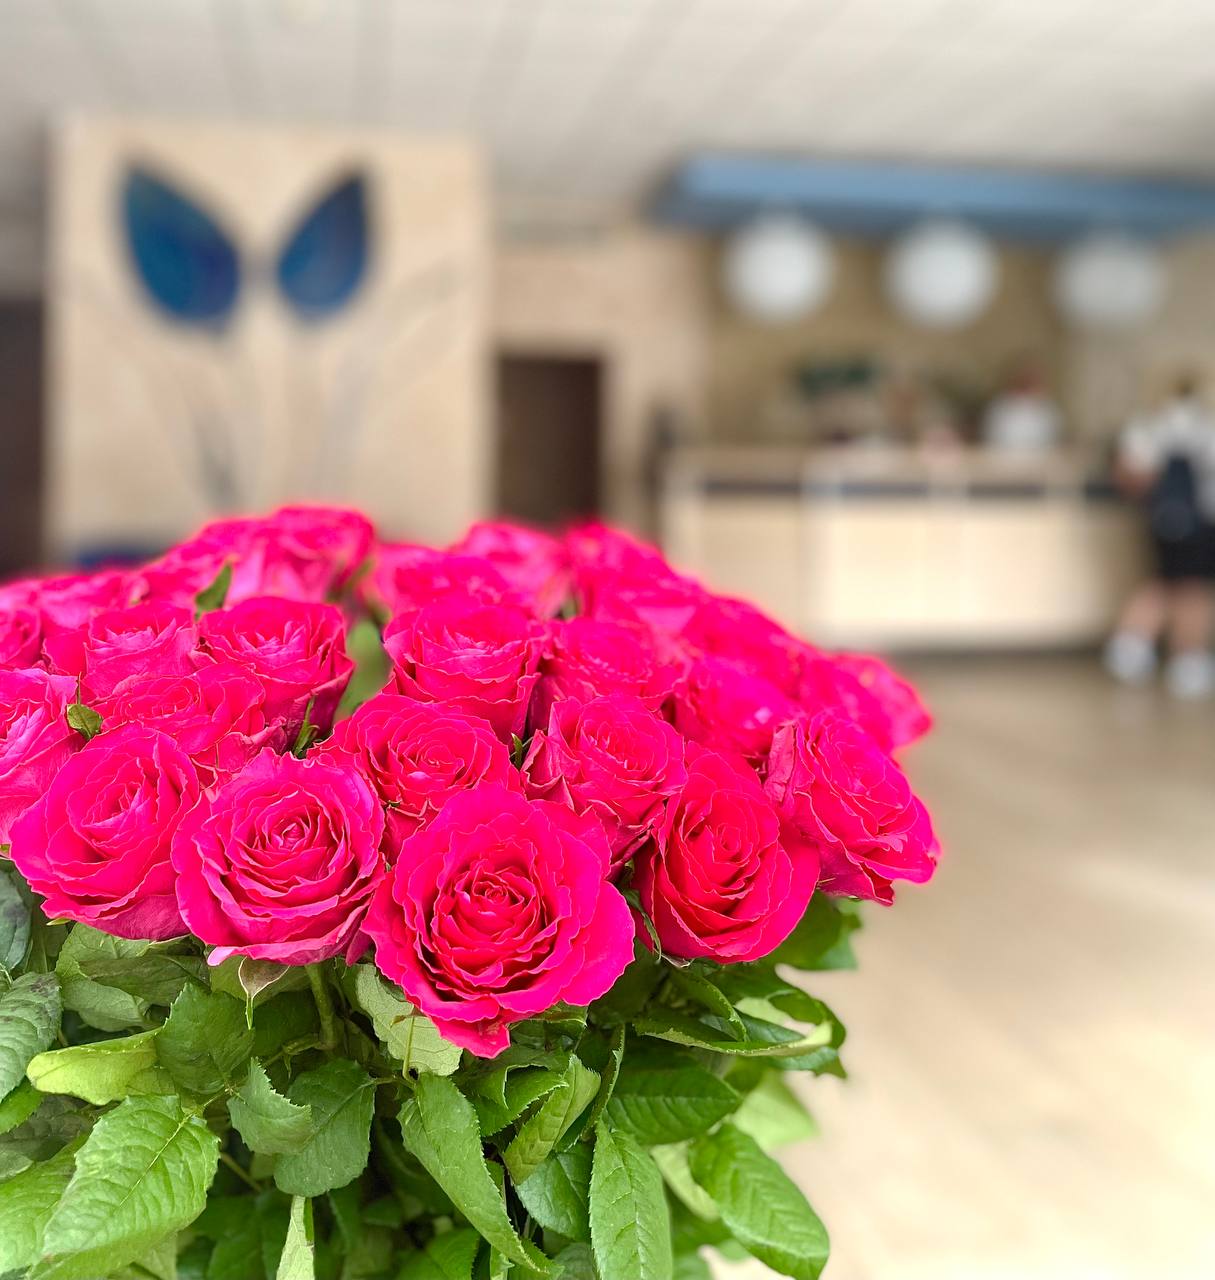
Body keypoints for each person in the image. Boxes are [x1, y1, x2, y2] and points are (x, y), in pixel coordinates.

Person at [1104, 375, 1215, 698]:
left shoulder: (1147, 426)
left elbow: (1128, 473)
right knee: (1192, 588)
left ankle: (1132, 645)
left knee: (1165, 580)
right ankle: (1188, 658)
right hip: (1197, 523)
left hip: (1162, 521)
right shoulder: (1202, 426)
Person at [981, 360, 1063, 454]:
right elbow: (990, 440)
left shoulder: (1049, 409)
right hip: (1004, 461)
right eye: (1024, 378)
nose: (1028, 382)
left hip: (1041, 462)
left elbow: (1055, 440)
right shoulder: (999, 407)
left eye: (1032, 378)